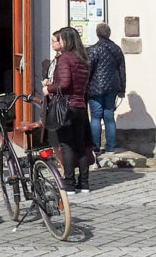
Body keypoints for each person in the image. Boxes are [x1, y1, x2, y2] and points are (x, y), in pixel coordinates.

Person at [44, 26, 92, 194]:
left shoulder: (65, 58)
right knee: (81, 145)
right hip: (80, 105)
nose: (60, 41)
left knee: (67, 145)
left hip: (67, 106)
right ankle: (84, 183)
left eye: (61, 39)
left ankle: (70, 184)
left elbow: (64, 84)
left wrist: (49, 89)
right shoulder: (83, 57)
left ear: (67, 41)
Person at [87, 22, 126, 154]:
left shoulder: (93, 50)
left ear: (97, 34)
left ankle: (96, 146)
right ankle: (111, 146)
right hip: (112, 87)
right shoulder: (117, 49)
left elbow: (88, 70)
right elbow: (122, 70)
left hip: (95, 88)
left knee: (96, 117)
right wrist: (122, 89)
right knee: (109, 116)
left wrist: (84, 87)